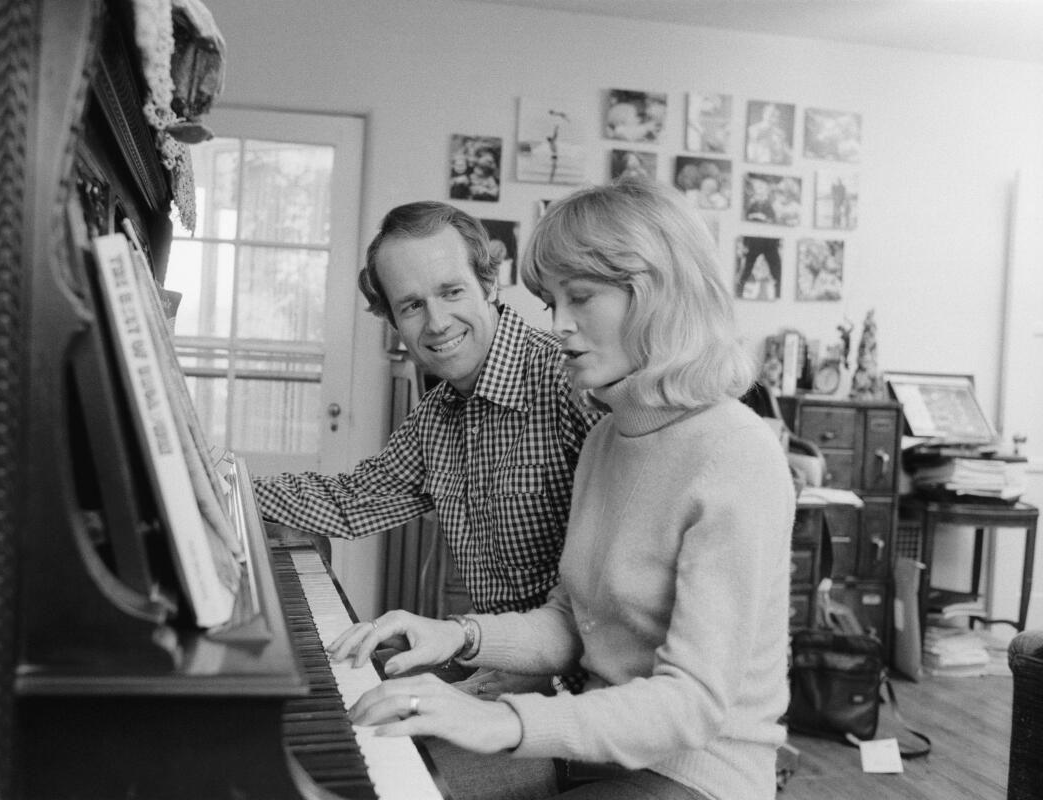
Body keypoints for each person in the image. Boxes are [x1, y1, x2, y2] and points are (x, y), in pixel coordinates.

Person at [328, 179, 796, 800]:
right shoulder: (610, 439)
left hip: (696, 769)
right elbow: (576, 624)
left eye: (581, 298)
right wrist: (460, 635)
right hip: (588, 742)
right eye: (553, 301)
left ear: (656, 293)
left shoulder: (735, 452)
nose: (561, 324)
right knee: (380, 776)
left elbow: (693, 705)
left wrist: (502, 721)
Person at [253, 200, 602, 693]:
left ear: (488, 283)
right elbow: (350, 501)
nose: (436, 323)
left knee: (375, 740)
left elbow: (625, 603)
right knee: (336, 684)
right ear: (393, 319)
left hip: (572, 686)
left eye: (451, 291)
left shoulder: (569, 383)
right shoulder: (437, 416)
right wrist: (216, 479)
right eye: (412, 305)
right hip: (489, 656)